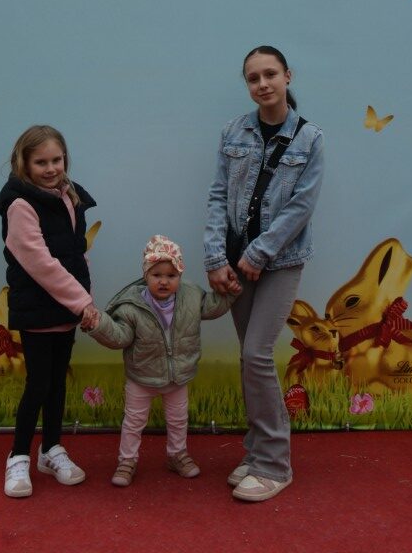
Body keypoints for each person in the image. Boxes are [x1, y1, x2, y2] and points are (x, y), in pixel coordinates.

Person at [204, 45, 324, 503]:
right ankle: (256, 453)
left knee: (257, 353)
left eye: (270, 74)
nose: (262, 84)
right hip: (236, 261)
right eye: (253, 78)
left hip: (280, 262)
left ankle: (275, 465)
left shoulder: (310, 139)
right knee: (248, 358)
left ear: (287, 76)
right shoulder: (233, 132)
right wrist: (216, 257)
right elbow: (218, 195)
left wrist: (260, 253)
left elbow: (301, 207)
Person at [0, 124, 99, 499]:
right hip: (37, 308)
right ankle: (18, 455)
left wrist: (84, 298)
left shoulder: (70, 196)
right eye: (41, 162)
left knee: (57, 382)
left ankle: (51, 449)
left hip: (66, 308)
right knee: (38, 384)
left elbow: (75, 252)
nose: (51, 168)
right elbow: (39, 262)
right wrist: (81, 301)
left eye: (57, 159)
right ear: (23, 163)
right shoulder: (19, 205)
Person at [87, 234, 236, 487]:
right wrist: (98, 324)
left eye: (171, 275)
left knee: (178, 420)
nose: (164, 281)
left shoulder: (191, 296)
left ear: (180, 275)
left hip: (177, 376)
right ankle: (127, 460)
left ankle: (177, 455)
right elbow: (120, 336)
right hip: (141, 377)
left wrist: (230, 293)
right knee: (134, 422)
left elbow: (212, 306)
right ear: (145, 274)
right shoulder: (131, 306)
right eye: (157, 275)